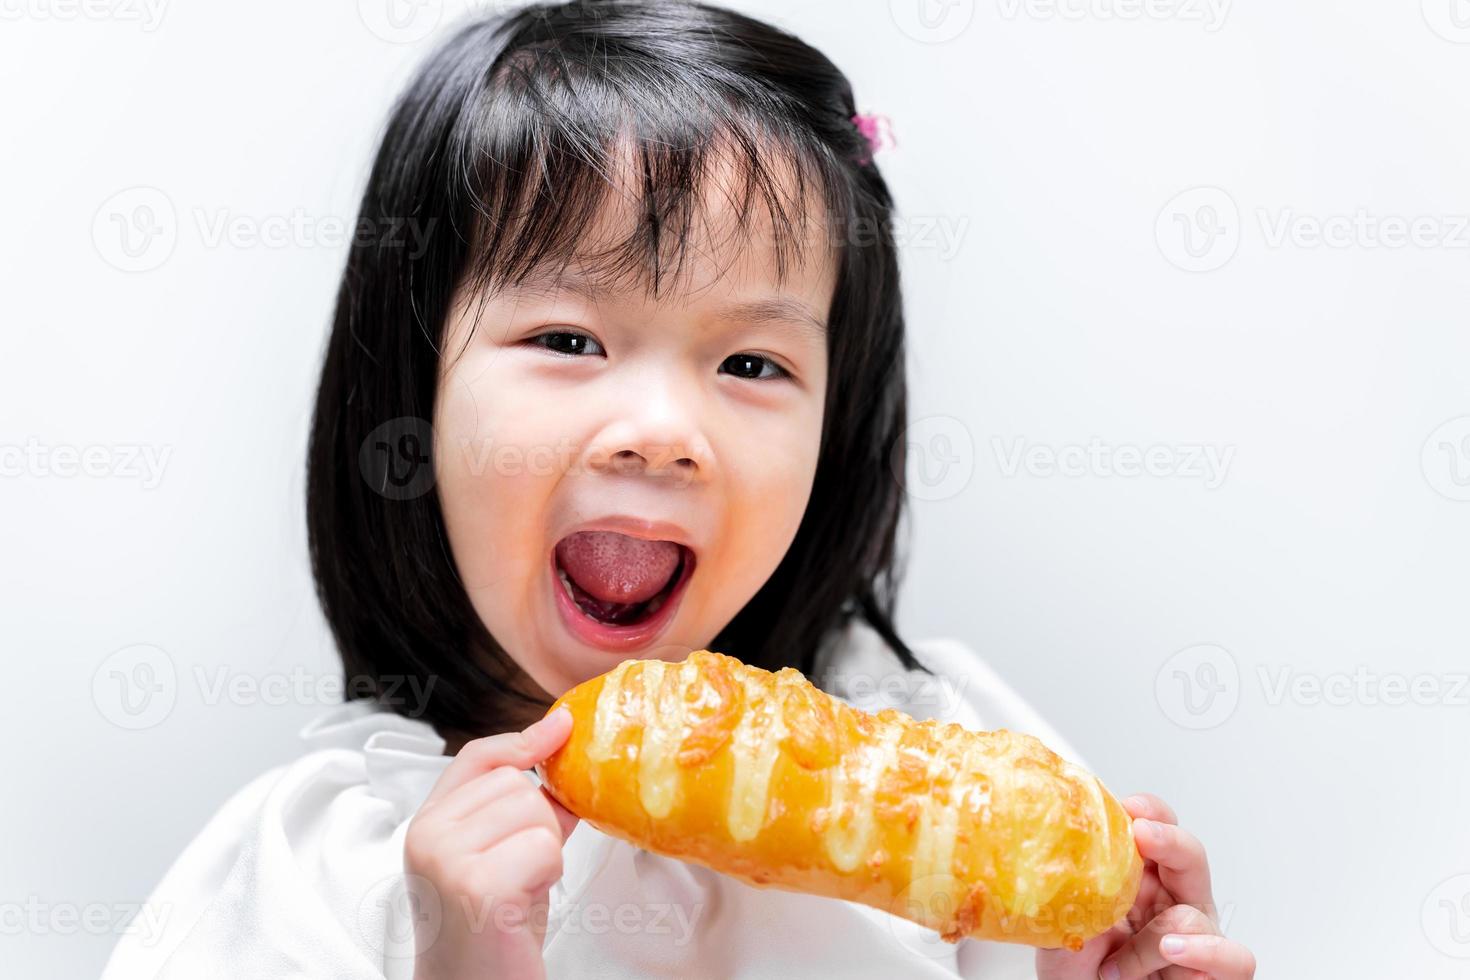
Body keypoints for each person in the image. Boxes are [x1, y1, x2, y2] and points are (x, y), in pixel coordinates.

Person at [103, 2, 1254, 977]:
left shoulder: (951, 762)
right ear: (411, 392)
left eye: (752, 363)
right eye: (566, 336)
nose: (661, 433)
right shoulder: (313, 858)